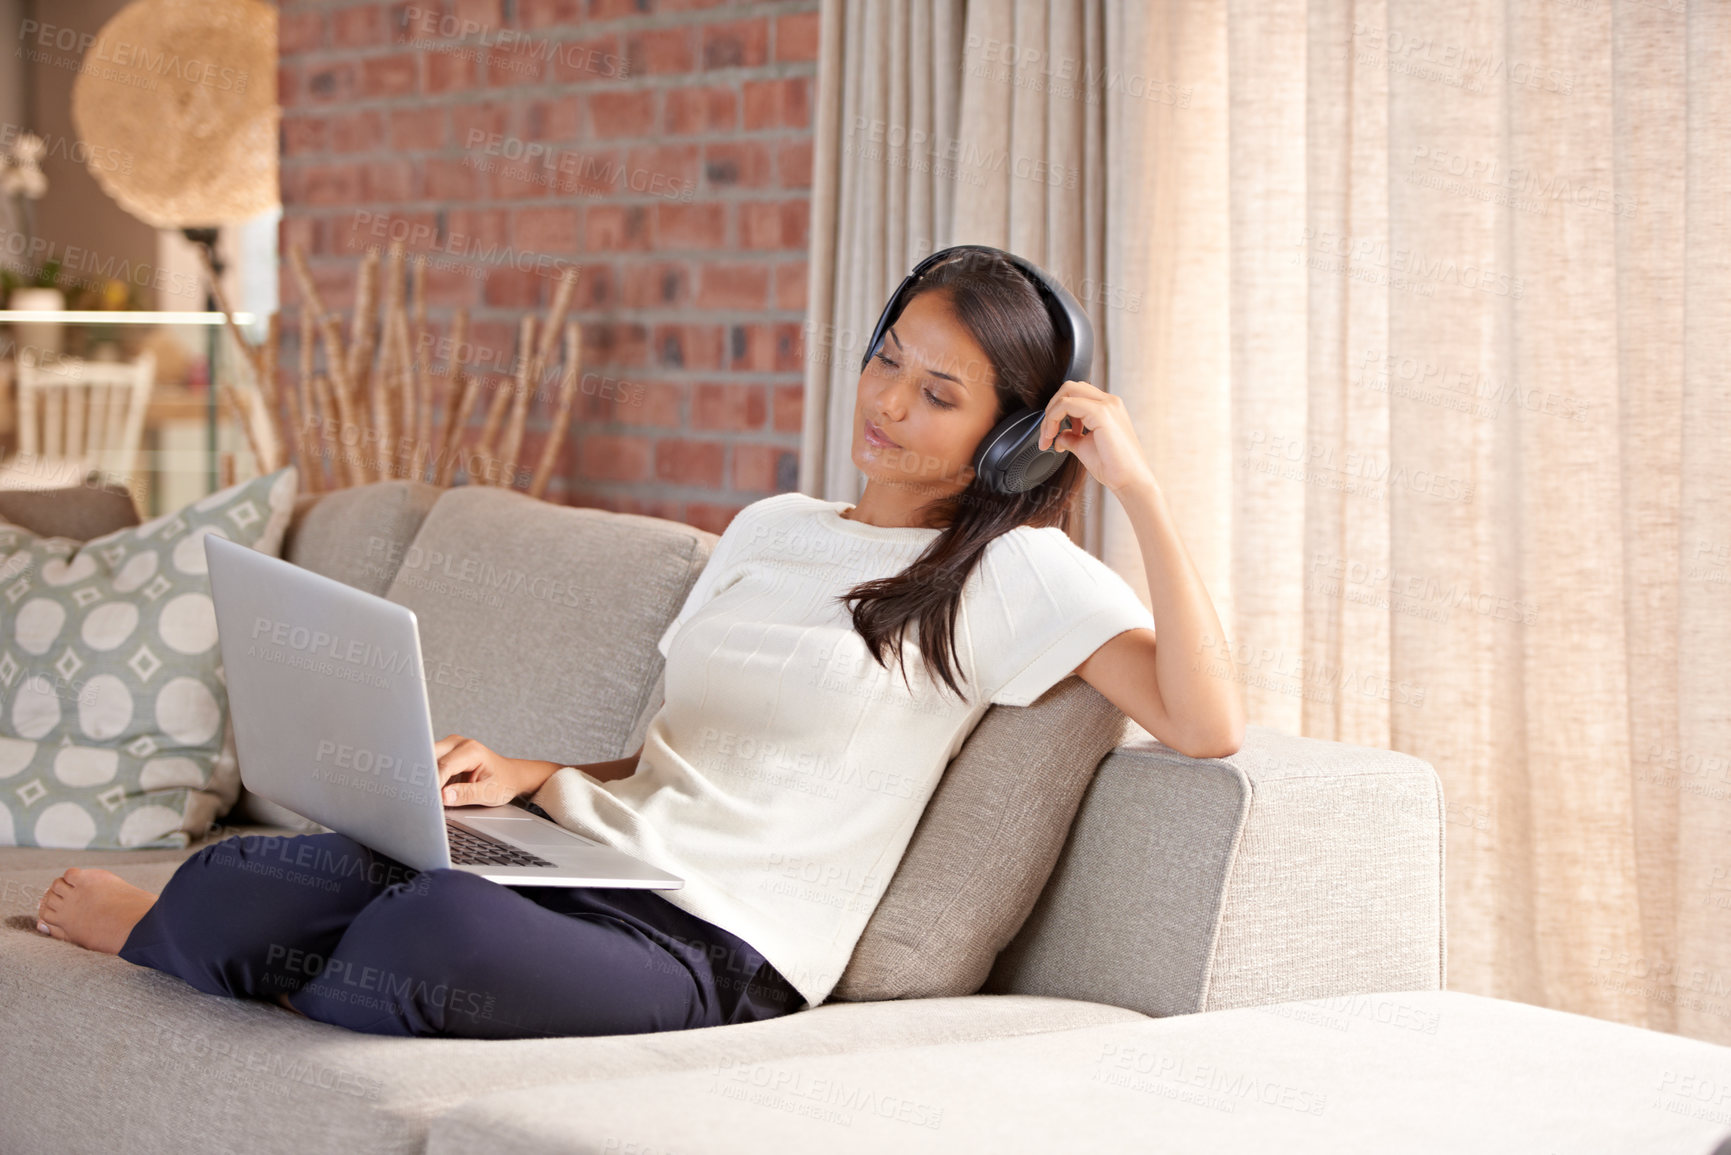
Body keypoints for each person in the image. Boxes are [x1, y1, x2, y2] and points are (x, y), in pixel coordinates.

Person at [33, 248, 1243, 1039]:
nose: (888, 404)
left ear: (1010, 437)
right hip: (584, 858)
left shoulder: (1012, 572)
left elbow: (1205, 721)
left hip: (724, 942)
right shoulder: (772, 528)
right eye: (889, 359)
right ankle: (245, 940)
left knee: (428, 933)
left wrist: (1138, 489)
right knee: (252, 871)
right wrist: (537, 775)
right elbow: (687, 749)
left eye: (941, 393)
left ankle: (208, 951)